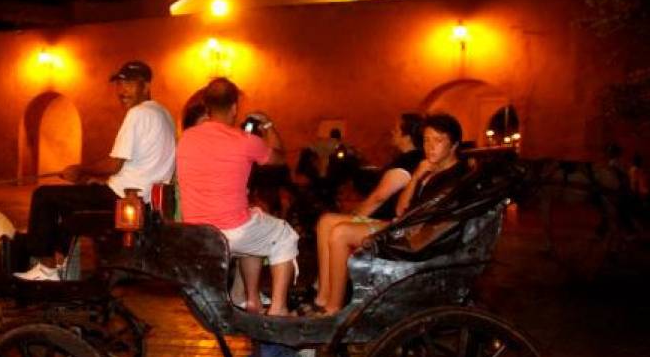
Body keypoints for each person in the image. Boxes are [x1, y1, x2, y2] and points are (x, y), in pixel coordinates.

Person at [16, 60, 176, 281]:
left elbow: (114, 164)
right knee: (70, 204)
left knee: (43, 196)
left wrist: (80, 170)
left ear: (146, 86)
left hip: (123, 199)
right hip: (145, 200)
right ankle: (62, 264)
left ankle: (45, 267)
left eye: (130, 84)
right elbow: (139, 165)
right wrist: (100, 180)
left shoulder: (138, 114)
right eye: (119, 84)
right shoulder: (164, 114)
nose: (122, 91)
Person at [314, 113, 466, 317]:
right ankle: (322, 299)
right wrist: (416, 177)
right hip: (402, 225)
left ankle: (333, 310)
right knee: (326, 221)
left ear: (454, 145)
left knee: (341, 233)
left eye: (438, 141)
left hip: (417, 238)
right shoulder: (428, 169)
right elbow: (401, 209)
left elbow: (431, 221)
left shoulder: (456, 177)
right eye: (426, 140)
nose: (430, 147)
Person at [176, 78, 299, 316]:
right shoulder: (245, 141)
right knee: (285, 234)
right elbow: (280, 158)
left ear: (207, 107)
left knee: (256, 223)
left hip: (197, 233)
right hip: (231, 231)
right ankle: (279, 309)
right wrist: (268, 125)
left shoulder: (186, 139)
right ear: (234, 107)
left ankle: (251, 300)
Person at [312, 113, 424, 308]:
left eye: (396, 129)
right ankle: (322, 296)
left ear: (407, 135)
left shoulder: (408, 164)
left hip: (389, 222)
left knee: (338, 228)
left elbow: (378, 198)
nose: (392, 132)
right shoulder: (408, 159)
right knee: (325, 221)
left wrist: (353, 217)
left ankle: (332, 306)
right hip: (385, 219)